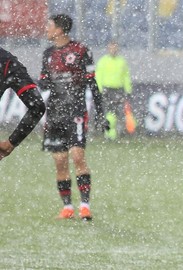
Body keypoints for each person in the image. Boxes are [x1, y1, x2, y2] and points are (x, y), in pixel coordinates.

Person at [39, 14, 108, 221]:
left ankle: (85, 206)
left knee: (77, 156)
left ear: (60, 29)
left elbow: (93, 85)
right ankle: (67, 207)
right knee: (60, 162)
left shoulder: (81, 51)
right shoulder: (48, 54)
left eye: (49, 25)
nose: (47, 29)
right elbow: (44, 84)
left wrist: (101, 114)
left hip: (75, 111)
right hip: (55, 113)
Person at [0, 48, 45, 160]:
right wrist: (11, 143)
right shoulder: (7, 62)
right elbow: (37, 106)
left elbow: (37, 107)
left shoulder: (7, 62)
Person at [95, 40, 134, 140]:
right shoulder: (103, 61)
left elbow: (126, 76)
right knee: (110, 111)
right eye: (111, 47)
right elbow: (98, 76)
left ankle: (114, 132)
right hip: (107, 89)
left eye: (115, 47)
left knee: (117, 112)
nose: (113, 50)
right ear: (108, 49)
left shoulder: (121, 62)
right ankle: (110, 133)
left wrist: (128, 89)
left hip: (118, 89)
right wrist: (99, 89)